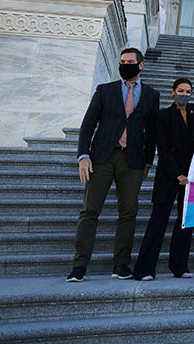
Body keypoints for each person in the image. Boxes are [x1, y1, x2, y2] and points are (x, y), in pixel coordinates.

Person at [68, 48, 160, 282]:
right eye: (122, 62)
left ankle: (120, 264)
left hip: (133, 162)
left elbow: (152, 131)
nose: (125, 65)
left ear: (141, 65)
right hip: (101, 158)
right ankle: (79, 266)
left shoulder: (151, 94)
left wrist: (148, 160)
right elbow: (88, 124)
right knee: (90, 211)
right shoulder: (104, 90)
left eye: (130, 62)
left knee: (128, 213)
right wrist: (83, 155)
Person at [133, 78, 194, 280]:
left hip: (190, 176)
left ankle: (179, 266)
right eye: (181, 90)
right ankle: (144, 269)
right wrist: (177, 174)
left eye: (188, 91)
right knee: (158, 222)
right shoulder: (162, 116)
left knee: (185, 223)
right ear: (173, 92)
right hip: (168, 175)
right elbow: (161, 148)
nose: (185, 94)